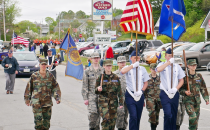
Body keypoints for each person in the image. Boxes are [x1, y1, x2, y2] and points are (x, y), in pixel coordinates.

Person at [24, 58, 61, 130]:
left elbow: (55, 87)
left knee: (46, 123)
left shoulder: (50, 76)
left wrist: (57, 98)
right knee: (38, 123)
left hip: (47, 103)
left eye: (45, 64)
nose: (43, 66)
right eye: (42, 64)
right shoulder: (34, 76)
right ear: (39, 65)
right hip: (36, 103)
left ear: (47, 65)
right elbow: (29, 88)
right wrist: (27, 99)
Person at [156, 48, 185, 130]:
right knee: (168, 114)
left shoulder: (177, 67)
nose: (170, 57)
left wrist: (176, 89)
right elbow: (158, 70)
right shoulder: (162, 64)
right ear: (165, 56)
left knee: (174, 114)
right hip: (165, 93)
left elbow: (181, 80)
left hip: (175, 93)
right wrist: (168, 62)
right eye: (168, 56)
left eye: (171, 56)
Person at [121, 51, 150, 130]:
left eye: (138, 58)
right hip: (130, 94)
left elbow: (146, 83)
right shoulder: (128, 67)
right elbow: (122, 71)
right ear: (131, 58)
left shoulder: (143, 69)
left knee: (138, 117)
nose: (137, 59)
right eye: (135, 58)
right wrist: (133, 66)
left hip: (140, 95)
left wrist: (142, 91)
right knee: (133, 116)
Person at [179, 59, 209, 130]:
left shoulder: (199, 76)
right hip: (188, 101)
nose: (193, 67)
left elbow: (203, 88)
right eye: (192, 65)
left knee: (196, 120)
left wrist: (206, 99)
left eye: (195, 65)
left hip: (197, 101)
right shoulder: (185, 77)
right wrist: (185, 92)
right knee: (193, 116)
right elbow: (180, 89)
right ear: (188, 66)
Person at [95, 59, 124, 130]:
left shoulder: (116, 77)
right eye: (107, 66)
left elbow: (119, 91)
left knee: (112, 121)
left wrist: (121, 103)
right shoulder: (100, 77)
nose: (109, 67)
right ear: (104, 66)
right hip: (103, 102)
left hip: (113, 102)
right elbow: (95, 91)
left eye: (110, 66)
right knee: (106, 119)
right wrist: (98, 89)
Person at [81, 52, 104, 130]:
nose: (96, 59)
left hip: (101, 96)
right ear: (91, 59)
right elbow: (85, 85)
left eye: (97, 57)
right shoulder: (87, 71)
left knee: (98, 116)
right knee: (93, 114)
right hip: (91, 95)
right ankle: (91, 128)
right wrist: (85, 98)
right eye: (94, 58)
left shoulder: (102, 70)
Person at [144, 63, 161, 130]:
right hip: (150, 99)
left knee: (156, 114)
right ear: (150, 69)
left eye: (155, 69)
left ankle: (154, 127)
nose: (154, 70)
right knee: (152, 112)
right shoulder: (147, 79)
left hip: (158, 99)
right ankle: (152, 128)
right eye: (153, 69)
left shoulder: (160, 79)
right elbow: (144, 90)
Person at [114, 56, 128, 130]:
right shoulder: (114, 74)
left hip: (128, 97)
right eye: (121, 62)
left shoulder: (129, 73)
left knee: (125, 115)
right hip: (118, 98)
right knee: (120, 113)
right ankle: (120, 128)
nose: (122, 63)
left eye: (124, 62)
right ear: (117, 63)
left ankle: (123, 128)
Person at [174, 58, 185, 130]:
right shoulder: (173, 74)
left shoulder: (184, 74)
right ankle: (176, 127)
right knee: (178, 112)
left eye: (180, 64)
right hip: (175, 96)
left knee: (182, 113)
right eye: (178, 64)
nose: (179, 66)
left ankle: (178, 126)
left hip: (183, 97)